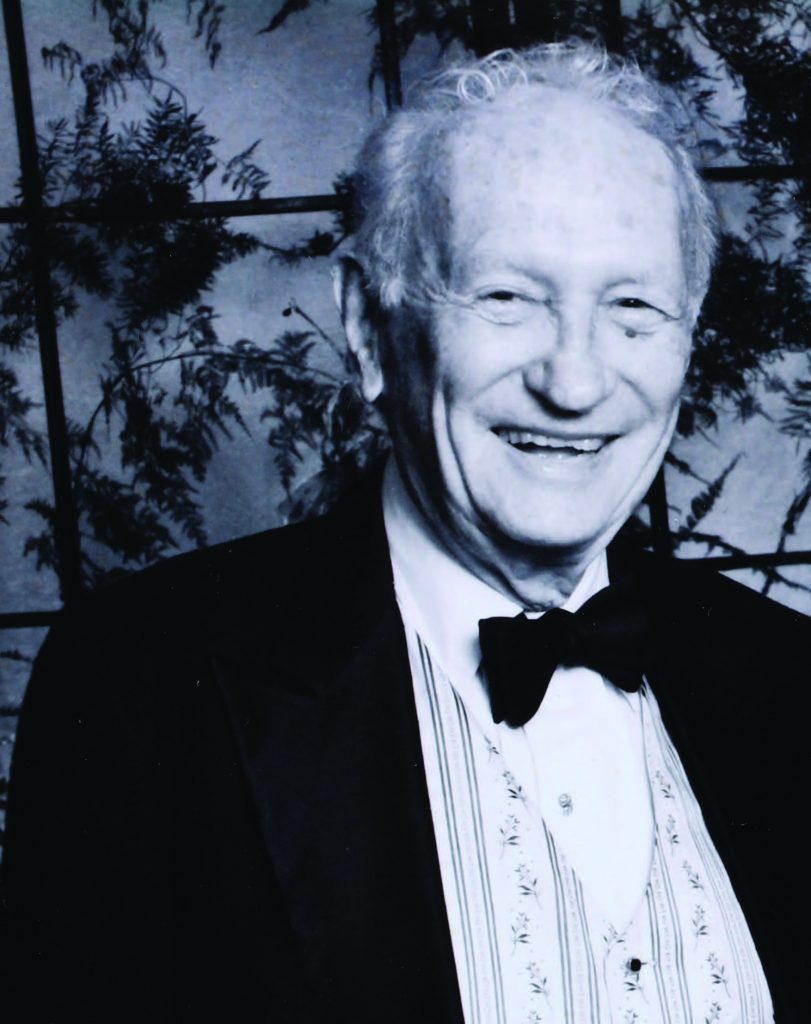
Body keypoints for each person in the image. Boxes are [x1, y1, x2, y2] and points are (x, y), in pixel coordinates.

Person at [2, 42, 808, 1024]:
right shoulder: (142, 688)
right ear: (367, 324)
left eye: (633, 309)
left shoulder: (787, 677)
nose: (575, 382)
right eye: (507, 298)